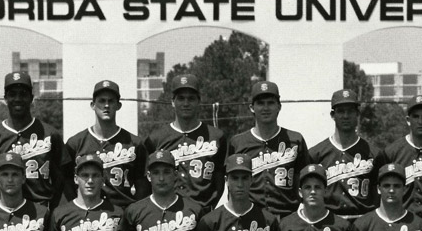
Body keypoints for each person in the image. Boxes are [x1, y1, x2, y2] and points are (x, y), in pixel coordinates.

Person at [0, 71, 69, 208]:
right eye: (12, 94)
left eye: (23, 94)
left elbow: (63, 179)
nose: (18, 99)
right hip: (5, 213)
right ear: (5, 98)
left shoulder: (50, 134)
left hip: (41, 209)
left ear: (31, 98)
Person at [143, 74, 228, 211]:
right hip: (169, 216)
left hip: (204, 214)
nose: (186, 103)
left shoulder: (215, 137)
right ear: (172, 102)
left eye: (191, 98)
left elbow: (220, 182)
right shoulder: (156, 139)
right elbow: (147, 182)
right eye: (181, 98)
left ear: (199, 101)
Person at [228, 80, 309, 219]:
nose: (266, 108)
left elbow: (302, 182)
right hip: (250, 217)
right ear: (252, 107)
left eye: (270, 103)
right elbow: (230, 186)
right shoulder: (238, 143)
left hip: (287, 217)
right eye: (260, 103)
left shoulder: (295, 140)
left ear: (279, 106)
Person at [65, 79, 149, 209]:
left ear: (118, 105)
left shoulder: (134, 143)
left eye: (111, 101)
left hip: (123, 212)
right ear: (93, 105)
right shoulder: (75, 143)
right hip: (88, 214)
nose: (106, 105)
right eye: (102, 101)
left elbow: (142, 187)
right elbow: (68, 185)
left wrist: (135, 213)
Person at [308, 88, 379, 220]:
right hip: (329, 223)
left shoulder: (374, 153)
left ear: (358, 114)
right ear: (332, 115)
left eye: (350, 111)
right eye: (341, 111)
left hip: (364, 221)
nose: (345, 116)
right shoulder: (315, 154)